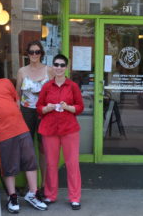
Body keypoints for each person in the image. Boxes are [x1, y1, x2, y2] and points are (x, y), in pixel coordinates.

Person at [0, 61, 48, 214]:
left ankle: (33, 194)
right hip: (2, 132)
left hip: (20, 127)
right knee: (9, 166)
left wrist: (14, 114)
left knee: (30, 161)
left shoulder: (6, 82)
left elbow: (16, 99)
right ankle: (12, 196)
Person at [36, 54, 84, 210]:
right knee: (51, 164)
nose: (59, 67)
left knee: (72, 164)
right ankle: (50, 194)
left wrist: (68, 107)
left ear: (66, 67)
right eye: (56, 64)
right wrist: (47, 108)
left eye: (62, 65)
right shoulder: (47, 86)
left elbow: (80, 106)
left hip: (69, 128)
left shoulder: (72, 86)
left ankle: (75, 197)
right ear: (52, 66)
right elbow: (39, 107)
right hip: (49, 129)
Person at [15, 40, 53, 198]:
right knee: (27, 149)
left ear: (41, 54)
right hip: (26, 111)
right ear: (27, 54)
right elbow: (17, 95)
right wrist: (17, 112)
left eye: (37, 52)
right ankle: (29, 185)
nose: (34, 55)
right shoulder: (22, 71)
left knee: (44, 149)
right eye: (31, 52)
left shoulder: (49, 70)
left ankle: (44, 185)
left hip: (44, 112)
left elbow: (53, 92)